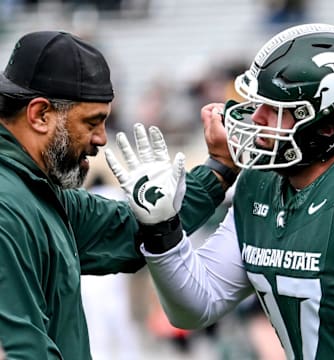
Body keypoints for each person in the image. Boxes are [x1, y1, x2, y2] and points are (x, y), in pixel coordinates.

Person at [105, 23, 334, 359]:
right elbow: (197, 305)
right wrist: (162, 228)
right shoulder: (260, 185)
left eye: (275, 109)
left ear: (328, 125)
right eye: (257, 103)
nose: (256, 117)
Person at [0, 30, 236, 359]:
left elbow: (129, 229)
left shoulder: (37, 193)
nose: (100, 139)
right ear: (40, 115)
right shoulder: (8, 206)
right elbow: (18, 351)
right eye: (92, 122)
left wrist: (220, 169)